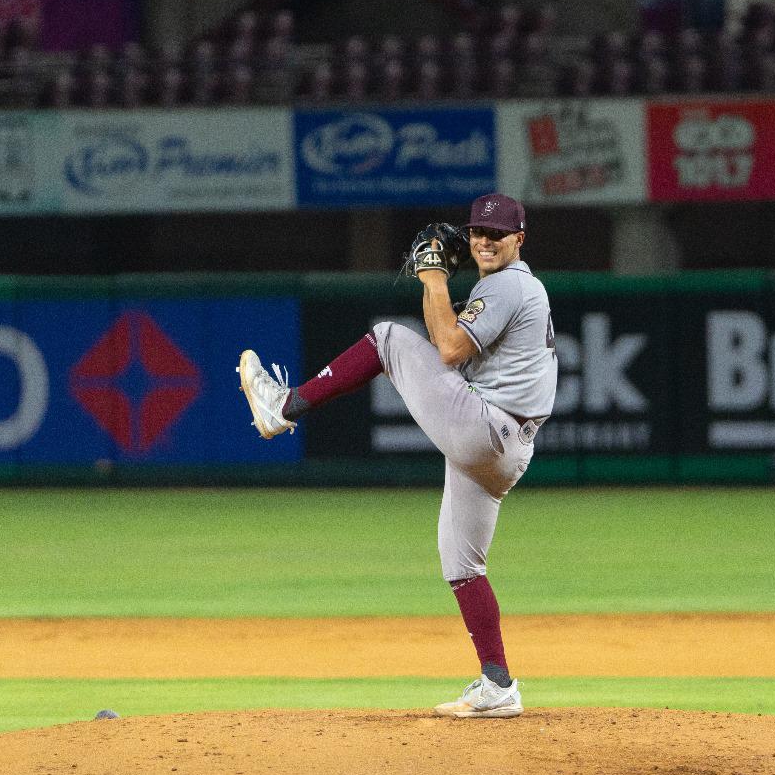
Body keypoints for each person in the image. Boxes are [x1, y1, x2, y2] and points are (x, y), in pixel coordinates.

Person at [237, 193, 557, 719]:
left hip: (487, 430)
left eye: (496, 234)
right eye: (477, 232)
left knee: (386, 338)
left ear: (519, 240)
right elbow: (455, 350)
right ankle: (498, 683)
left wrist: (433, 278)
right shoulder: (507, 287)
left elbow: (449, 348)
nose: (483, 241)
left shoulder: (510, 284)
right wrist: (439, 285)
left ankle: (283, 407)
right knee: (463, 564)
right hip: (506, 449)